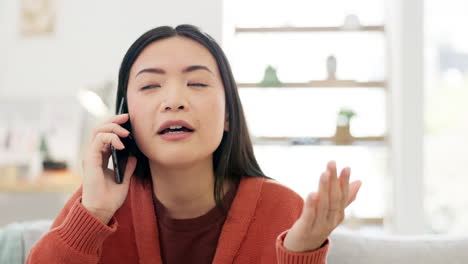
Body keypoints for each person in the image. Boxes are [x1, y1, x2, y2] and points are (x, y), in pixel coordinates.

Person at [26, 24, 362, 264]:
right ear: (123, 116)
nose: (174, 100)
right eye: (149, 86)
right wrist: (94, 215)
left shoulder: (284, 211)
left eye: (197, 83)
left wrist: (300, 252)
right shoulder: (94, 207)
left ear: (229, 115)